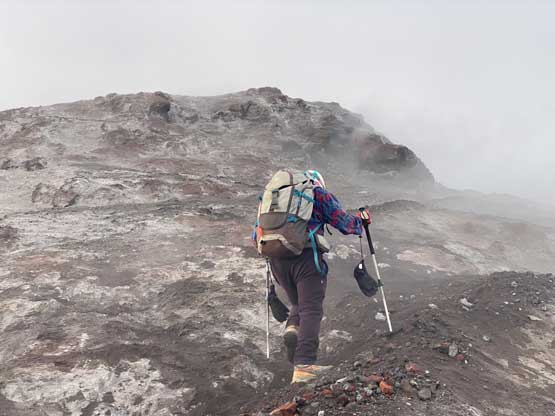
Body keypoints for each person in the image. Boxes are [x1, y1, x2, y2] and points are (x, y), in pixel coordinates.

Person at [265, 170, 371, 384]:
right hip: (306, 258)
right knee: (311, 309)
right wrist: (361, 221)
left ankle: (293, 328)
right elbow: (344, 223)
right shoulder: (317, 193)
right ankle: (304, 365)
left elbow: (256, 234)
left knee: (299, 303)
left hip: (276, 260)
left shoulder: (274, 199)